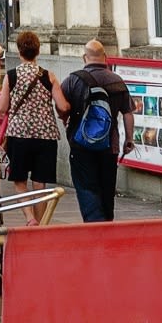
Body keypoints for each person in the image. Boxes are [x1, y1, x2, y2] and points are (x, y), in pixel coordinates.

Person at [55, 39, 133, 224]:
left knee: (86, 187)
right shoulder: (117, 80)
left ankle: (95, 226)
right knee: (107, 189)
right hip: (109, 146)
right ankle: (106, 223)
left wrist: (65, 118)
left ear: (84, 57)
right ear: (104, 57)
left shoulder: (73, 79)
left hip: (81, 145)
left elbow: (62, 107)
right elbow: (128, 113)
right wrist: (128, 139)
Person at [0, 30, 61, 222]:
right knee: (39, 182)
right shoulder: (48, 76)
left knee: (19, 180)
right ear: (38, 51)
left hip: (19, 135)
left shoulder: (11, 76)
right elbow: (62, 104)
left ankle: (29, 218)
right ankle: (41, 223)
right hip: (45, 135)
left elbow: (3, 107)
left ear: (19, 51)